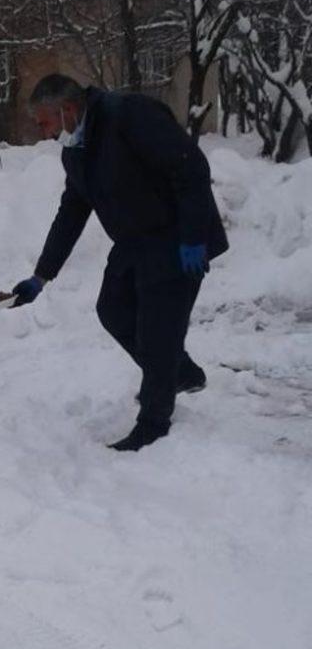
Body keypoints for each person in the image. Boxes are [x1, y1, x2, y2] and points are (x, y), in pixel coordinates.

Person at [12, 74, 228, 451]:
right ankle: (180, 372)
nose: (43, 133)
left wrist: (193, 237)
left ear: (67, 109)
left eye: (44, 122)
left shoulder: (129, 116)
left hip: (176, 235)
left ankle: (154, 422)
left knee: (158, 331)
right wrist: (41, 276)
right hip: (134, 241)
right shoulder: (74, 149)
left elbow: (190, 167)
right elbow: (72, 211)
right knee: (112, 310)